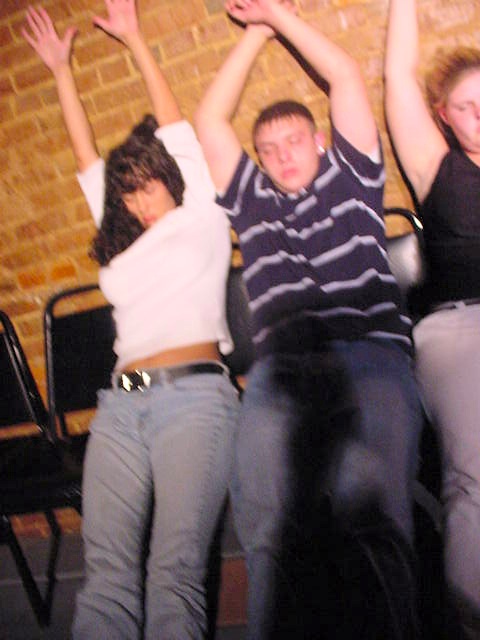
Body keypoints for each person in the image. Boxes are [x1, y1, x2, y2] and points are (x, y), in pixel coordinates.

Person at [195, 0, 424, 637]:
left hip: (368, 351)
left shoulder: (353, 178)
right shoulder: (252, 200)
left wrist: (278, 16)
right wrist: (254, 35)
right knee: (268, 525)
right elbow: (209, 120)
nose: (283, 156)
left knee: (370, 513)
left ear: (319, 141)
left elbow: (345, 77)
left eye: (295, 141)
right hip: (282, 370)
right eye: (269, 149)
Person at [22, 2, 240, 638]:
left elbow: (174, 128)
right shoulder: (120, 236)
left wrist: (136, 40)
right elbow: (85, 157)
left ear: (171, 178)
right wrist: (61, 71)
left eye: (148, 185)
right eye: (128, 191)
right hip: (122, 399)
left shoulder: (201, 213)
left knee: (173, 572)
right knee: (107, 575)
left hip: (194, 397)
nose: (139, 200)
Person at [385, 0, 480, 637]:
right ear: (444, 116)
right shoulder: (439, 168)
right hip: (461, 328)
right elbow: (397, 75)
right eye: (466, 106)